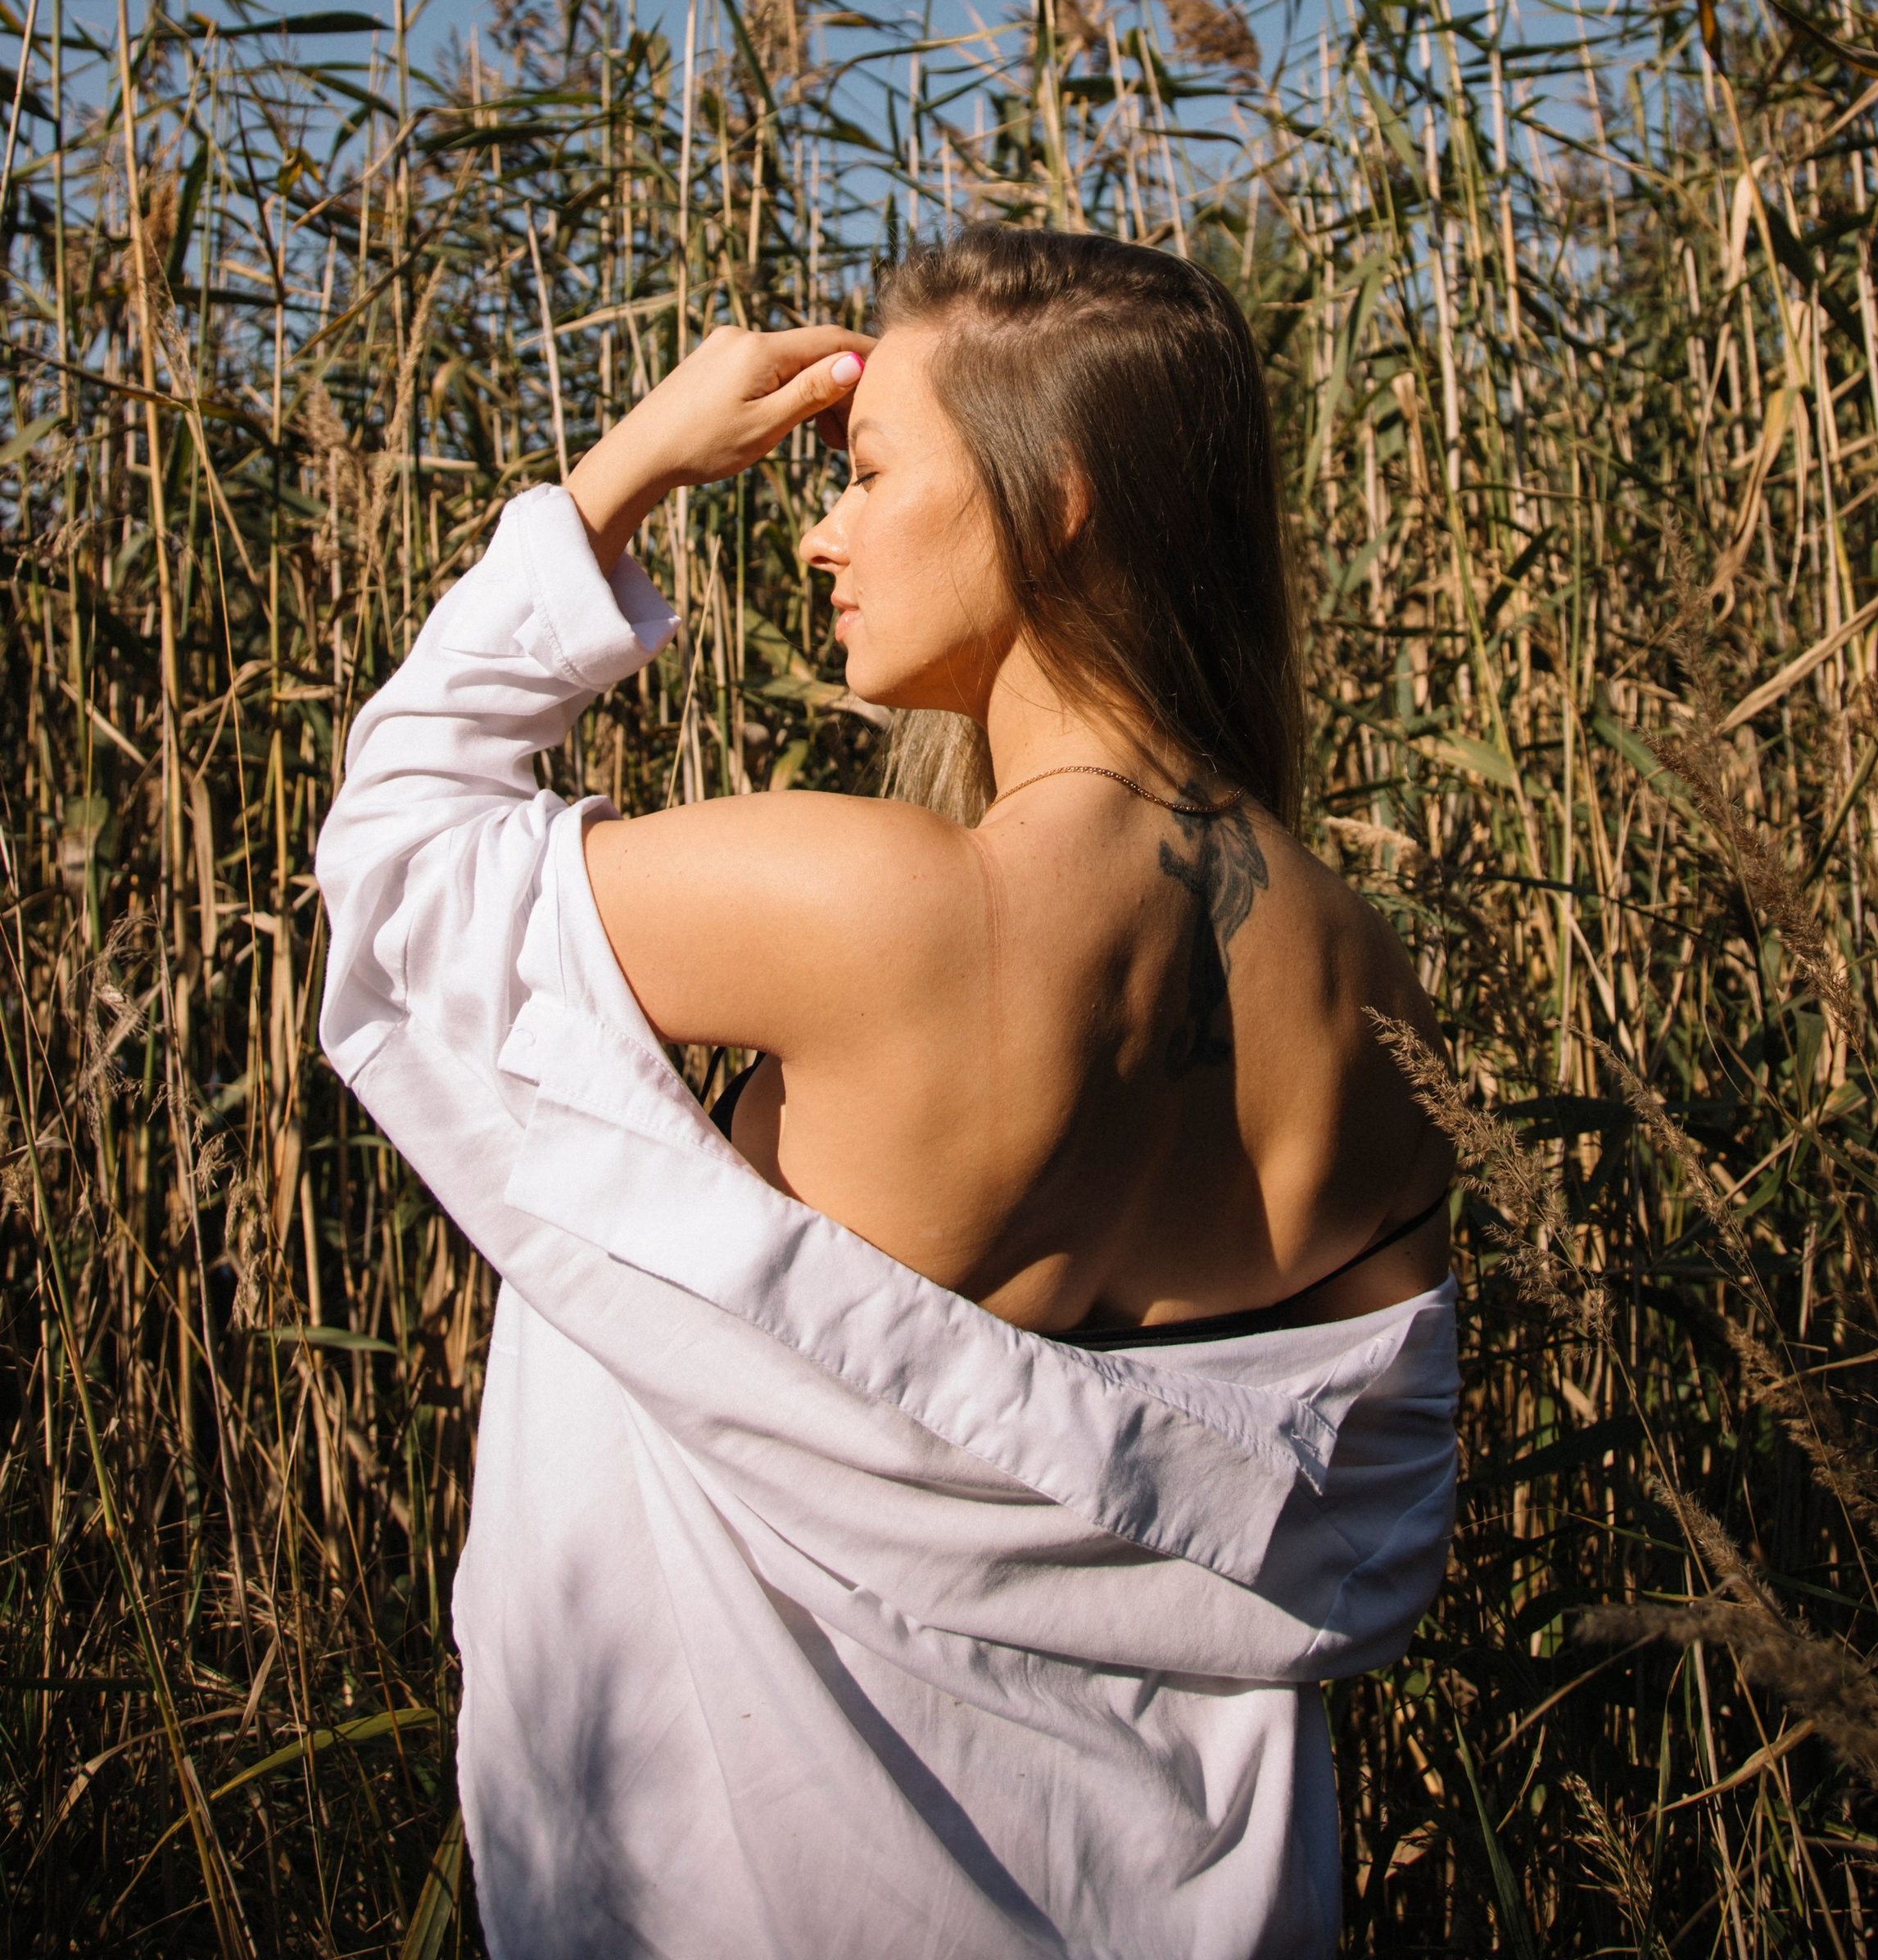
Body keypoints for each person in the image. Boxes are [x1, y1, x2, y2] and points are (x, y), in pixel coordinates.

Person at [317, 224, 1457, 1959]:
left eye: (861, 472)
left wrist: (620, 473)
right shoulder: (1372, 991)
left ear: (1055, 495)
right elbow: (1310, 1501)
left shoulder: (895, 914)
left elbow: (395, 875)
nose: (818, 530)